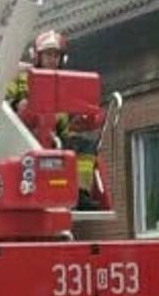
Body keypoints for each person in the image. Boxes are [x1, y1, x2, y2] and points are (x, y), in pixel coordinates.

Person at [6, 30, 104, 209]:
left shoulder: (66, 82)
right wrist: (17, 104)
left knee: (85, 145)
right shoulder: (21, 77)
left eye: (56, 55)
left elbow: (82, 110)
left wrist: (86, 118)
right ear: (37, 56)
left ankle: (81, 193)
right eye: (48, 54)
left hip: (57, 136)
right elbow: (2, 101)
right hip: (25, 136)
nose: (53, 59)